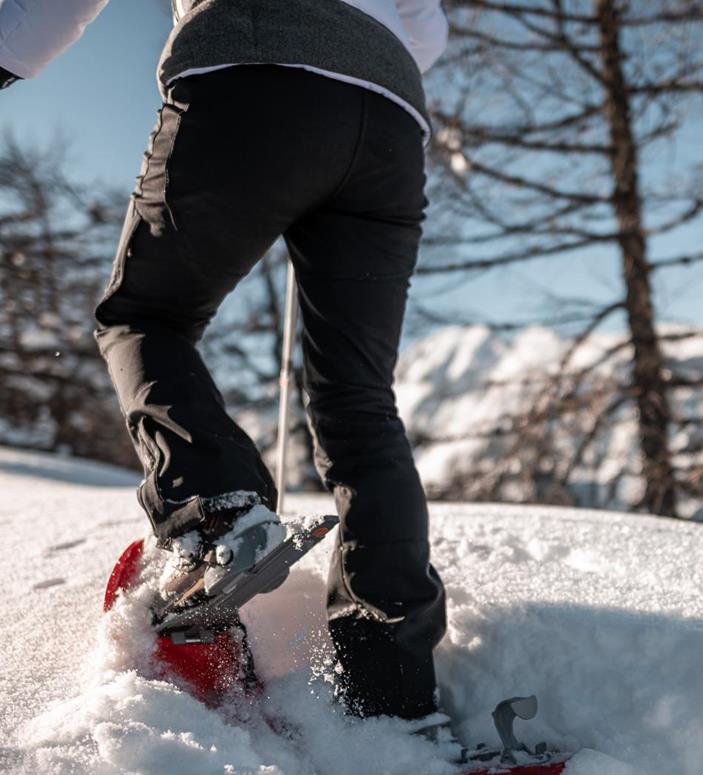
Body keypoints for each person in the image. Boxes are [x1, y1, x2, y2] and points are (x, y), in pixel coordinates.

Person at [0, 0, 449, 722]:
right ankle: (395, 693)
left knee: (145, 316)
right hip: (390, 113)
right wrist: (356, 66)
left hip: (253, 63)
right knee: (358, 398)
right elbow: (425, 26)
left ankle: (217, 511)